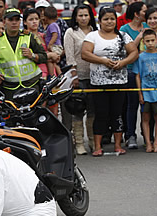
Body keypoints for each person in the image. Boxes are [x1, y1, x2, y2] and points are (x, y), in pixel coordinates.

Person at [81, 7, 139, 156]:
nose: (109, 21)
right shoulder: (92, 36)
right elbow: (85, 54)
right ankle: (97, 146)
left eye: (112, 19)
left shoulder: (123, 36)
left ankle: (118, 145)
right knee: (101, 113)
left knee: (117, 113)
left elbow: (134, 52)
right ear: (99, 21)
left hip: (120, 82)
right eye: (106, 19)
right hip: (99, 83)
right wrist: (102, 61)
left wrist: (123, 62)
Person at [0, 8, 49, 99]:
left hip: (31, 84)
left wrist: (33, 56)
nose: (14, 22)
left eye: (17, 20)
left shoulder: (29, 37)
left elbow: (44, 57)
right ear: (4, 21)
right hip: (9, 88)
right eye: (11, 20)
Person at [64, 4, 98, 155]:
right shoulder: (71, 32)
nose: (83, 18)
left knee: (93, 111)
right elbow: (70, 57)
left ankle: (92, 141)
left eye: (86, 15)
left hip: (96, 77)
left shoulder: (96, 32)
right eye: (80, 15)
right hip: (78, 77)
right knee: (77, 111)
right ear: (75, 17)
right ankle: (79, 143)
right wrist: (74, 75)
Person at [133, 29, 157, 153]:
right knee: (145, 118)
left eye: (152, 40)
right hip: (146, 92)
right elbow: (137, 75)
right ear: (143, 42)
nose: (150, 43)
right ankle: (148, 143)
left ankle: (156, 143)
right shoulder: (140, 57)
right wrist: (140, 93)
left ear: (156, 40)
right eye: (147, 41)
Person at [120, 1, 149, 150]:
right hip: (130, 70)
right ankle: (130, 135)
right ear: (137, 14)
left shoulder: (148, 27)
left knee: (148, 105)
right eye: (144, 11)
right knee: (131, 105)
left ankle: (148, 136)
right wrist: (139, 37)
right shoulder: (124, 29)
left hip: (148, 71)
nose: (147, 13)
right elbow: (124, 50)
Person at [42, 6, 64, 78]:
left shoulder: (52, 25)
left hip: (55, 46)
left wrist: (50, 44)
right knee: (54, 63)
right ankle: (60, 75)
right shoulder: (53, 25)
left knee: (49, 60)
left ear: (46, 18)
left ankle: (53, 76)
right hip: (57, 46)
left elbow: (55, 35)